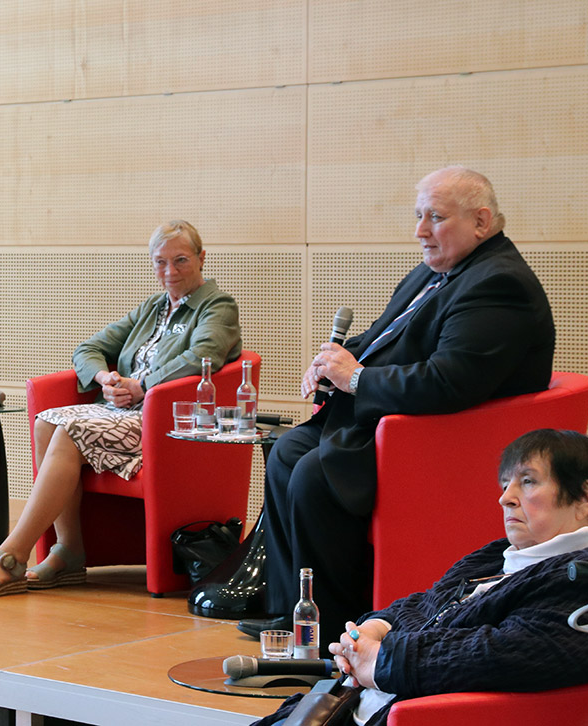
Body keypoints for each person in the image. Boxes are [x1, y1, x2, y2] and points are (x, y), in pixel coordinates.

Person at [230, 167, 556, 638]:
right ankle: (294, 612)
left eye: (435, 217)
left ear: (481, 221)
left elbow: (448, 381)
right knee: (285, 452)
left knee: (314, 475)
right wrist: (335, 362)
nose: (420, 231)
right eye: (418, 215)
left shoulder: (498, 284)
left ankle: (337, 625)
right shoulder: (436, 270)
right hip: (394, 421)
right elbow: (384, 338)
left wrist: (357, 377)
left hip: (441, 440)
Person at [253, 429, 588, 726]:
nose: (505, 498)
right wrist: (374, 629)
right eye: (506, 484)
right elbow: (427, 603)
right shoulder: (501, 556)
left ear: (585, 498)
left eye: (528, 482)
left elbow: (511, 652)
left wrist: (385, 662)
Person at [0, 220, 241, 597]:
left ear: (202, 259)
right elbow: (86, 350)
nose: (170, 272)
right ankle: (68, 551)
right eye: (160, 263)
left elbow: (203, 355)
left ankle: (12, 555)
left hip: (163, 421)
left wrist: (142, 385)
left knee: (68, 431)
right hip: (120, 412)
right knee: (45, 422)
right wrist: (105, 379)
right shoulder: (152, 308)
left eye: (181, 260)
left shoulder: (217, 305)